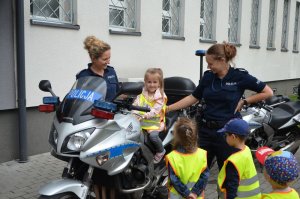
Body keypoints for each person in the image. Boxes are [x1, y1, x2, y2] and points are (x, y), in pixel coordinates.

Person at [167, 42, 273, 170]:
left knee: (228, 172)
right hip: (205, 131)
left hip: (228, 133)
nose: (208, 66)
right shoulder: (208, 77)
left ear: (222, 60)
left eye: (211, 63)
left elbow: (267, 92)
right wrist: (168, 108)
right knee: (197, 171)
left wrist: (245, 101)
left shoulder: (240, 76)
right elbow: (193, 97)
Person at [165, 117, 209, 199]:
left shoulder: (172, 157)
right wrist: (195, 193)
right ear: (195, 135)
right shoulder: (202, 154)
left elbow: (174, 180)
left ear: (176, 136)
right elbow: (205, 176)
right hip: (196, 196)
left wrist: (187, 193)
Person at [217, 118, 261, 199]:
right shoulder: (246, 149)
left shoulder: (233, 161)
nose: (225, 137)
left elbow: (231, 188)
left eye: (226, 135)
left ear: (233, 137)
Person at [133, 68, 167, 163]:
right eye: (149, 82)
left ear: (159, 83)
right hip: (141, 121)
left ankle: (161, 151)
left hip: (154, 123)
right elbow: (136, 103)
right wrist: (133, 111)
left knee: (153, 137)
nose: (152, 84)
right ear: (145, 82)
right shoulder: (142, 94)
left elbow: (156, 110)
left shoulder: (161, 96)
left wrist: (145, 115)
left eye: (155, 82)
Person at [76, 35, 119, 102]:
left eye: (109, 58)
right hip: (93, 112)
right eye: (105, 59)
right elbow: (79, 102)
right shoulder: (83, 76)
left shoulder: (111, 71)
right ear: (94, 59)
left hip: (112, 111)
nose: (108, 62)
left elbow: (117, 93)